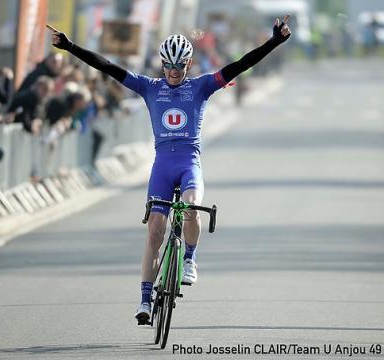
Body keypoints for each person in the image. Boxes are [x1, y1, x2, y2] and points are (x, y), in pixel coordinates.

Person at [47, 15, 291, 324]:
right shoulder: (149, 87)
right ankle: (145, 300)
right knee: (154, 232)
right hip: (162, 166)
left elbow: (240, 65)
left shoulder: (201, 87)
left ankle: (189, 259)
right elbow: (107, 66)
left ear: (188, 65)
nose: (173, 72)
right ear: (162, 64)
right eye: (168, 66)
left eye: (179, 67)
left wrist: (274, 42)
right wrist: (69, 46)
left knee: (190, 206)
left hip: (189, 163)